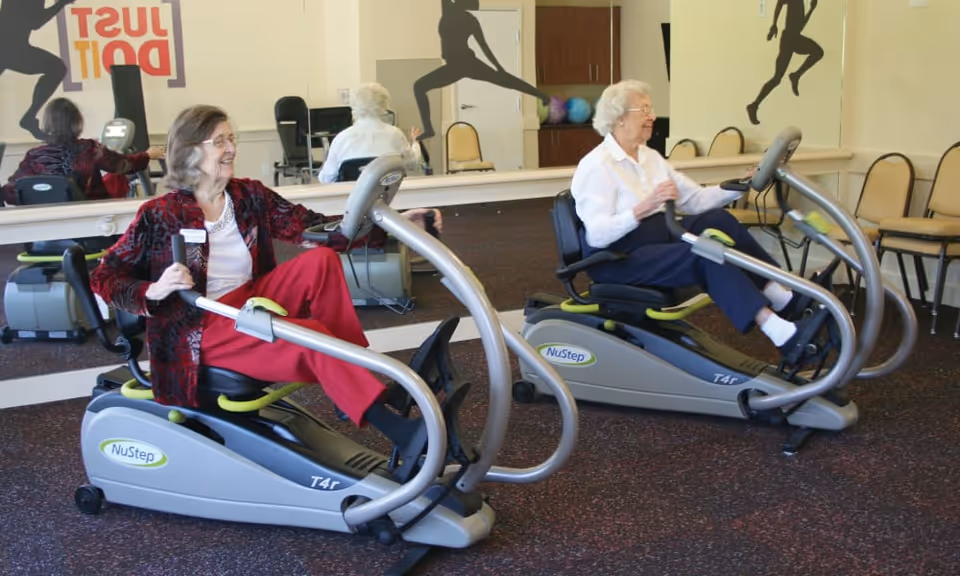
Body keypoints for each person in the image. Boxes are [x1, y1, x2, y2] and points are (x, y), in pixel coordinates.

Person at [89, 104, 443, 426]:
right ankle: (394, 423)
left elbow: (317, 229)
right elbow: (104, 277)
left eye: (232, 139)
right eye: (219, 141)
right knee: (312, 334)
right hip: (200, 327)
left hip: (248, 299)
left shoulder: (248, 195)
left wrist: (396, 226)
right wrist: (154, 289)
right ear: (190, 151)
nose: (231, 148)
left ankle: (356, 372)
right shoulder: (160, 214)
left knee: (319, 260)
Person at [571, 80, 814, 359]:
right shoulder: (596, 166)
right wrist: (643, 207)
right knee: (703, 254)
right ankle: (783, 335)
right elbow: (597, 235)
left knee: (718, 220)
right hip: (616, 256)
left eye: (651, 109)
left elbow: (695, 200)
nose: (651, 116)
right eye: (644, 110)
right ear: (620, 118)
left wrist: (741, 185)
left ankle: (784, 299)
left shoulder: (650, 157)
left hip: (657, 235)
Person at [412, 0, 549, 140]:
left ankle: (541, 95)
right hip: (460, 65)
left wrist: (499, 68)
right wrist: (499, 69)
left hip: (462, 64)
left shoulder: (463, 16)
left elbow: (484, 47)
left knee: (419, 86)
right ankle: (429, 130)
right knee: (419, 87)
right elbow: (484, 47)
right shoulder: (456, 12)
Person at [1, 98, 165, 205]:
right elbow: (124, 165)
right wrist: (148, 155)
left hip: (43, 235)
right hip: (89, 225)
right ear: (77, 122)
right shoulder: (89, 149)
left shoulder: (34, 156)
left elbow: (12, 191)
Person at [0, 0, 77, 140]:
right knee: (57, 68)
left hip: (13, 48)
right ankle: (29, 117)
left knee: (57, 68)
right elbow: (36, 21)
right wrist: (61, 4)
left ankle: (29, 117)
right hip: (11, 49)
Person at [318, 83, 423, 184]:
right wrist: (415, 143)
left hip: (350, 198)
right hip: (390, 198)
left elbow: (326, 178)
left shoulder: (342, 138)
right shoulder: (395, 134)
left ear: (354, 104)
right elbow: (412, 164)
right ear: (384, 104)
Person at [746, 0, 823, 126]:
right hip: (789, 39)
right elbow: (779, 3)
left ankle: (796, 75)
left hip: (795, 38)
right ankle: (754, 105)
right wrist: (774, 24)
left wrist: (811, 9)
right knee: (777, 79)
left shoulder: (800, 3)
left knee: (818, 52)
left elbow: (800, 26)